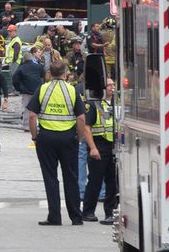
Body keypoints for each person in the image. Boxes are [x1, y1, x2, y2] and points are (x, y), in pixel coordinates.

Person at [26, 61, 99, 226]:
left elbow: (32, 116)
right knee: (71, 177)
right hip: (68, 138)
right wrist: (78, 137)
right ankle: (76, 216)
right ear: (65, 73)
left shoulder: (43, 89)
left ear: (50, 73)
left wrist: (35, 137)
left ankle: (54, 216)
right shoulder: (71, 90)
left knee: (50, 177)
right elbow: (81, 118)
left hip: (46, 138)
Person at [82, 78, 118, 225]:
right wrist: (93, 148)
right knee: (95, 181)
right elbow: (87, 128)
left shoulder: (117, 104)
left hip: (114, 146)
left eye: (113, 85)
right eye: (108, 85)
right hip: (99, 145)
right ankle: (88, 212)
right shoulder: (94, 104)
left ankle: (110, 213)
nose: (112, 87)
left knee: (113, 182)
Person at [10, 49, 44, 133]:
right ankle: (41, 125)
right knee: (40, 108)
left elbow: (15, 79)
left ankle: (27, 126)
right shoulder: (38, 66)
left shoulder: (21, 68)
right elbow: (43, 75)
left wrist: (19, 88)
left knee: (26, 108)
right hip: (38, 90)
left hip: (26, 91)